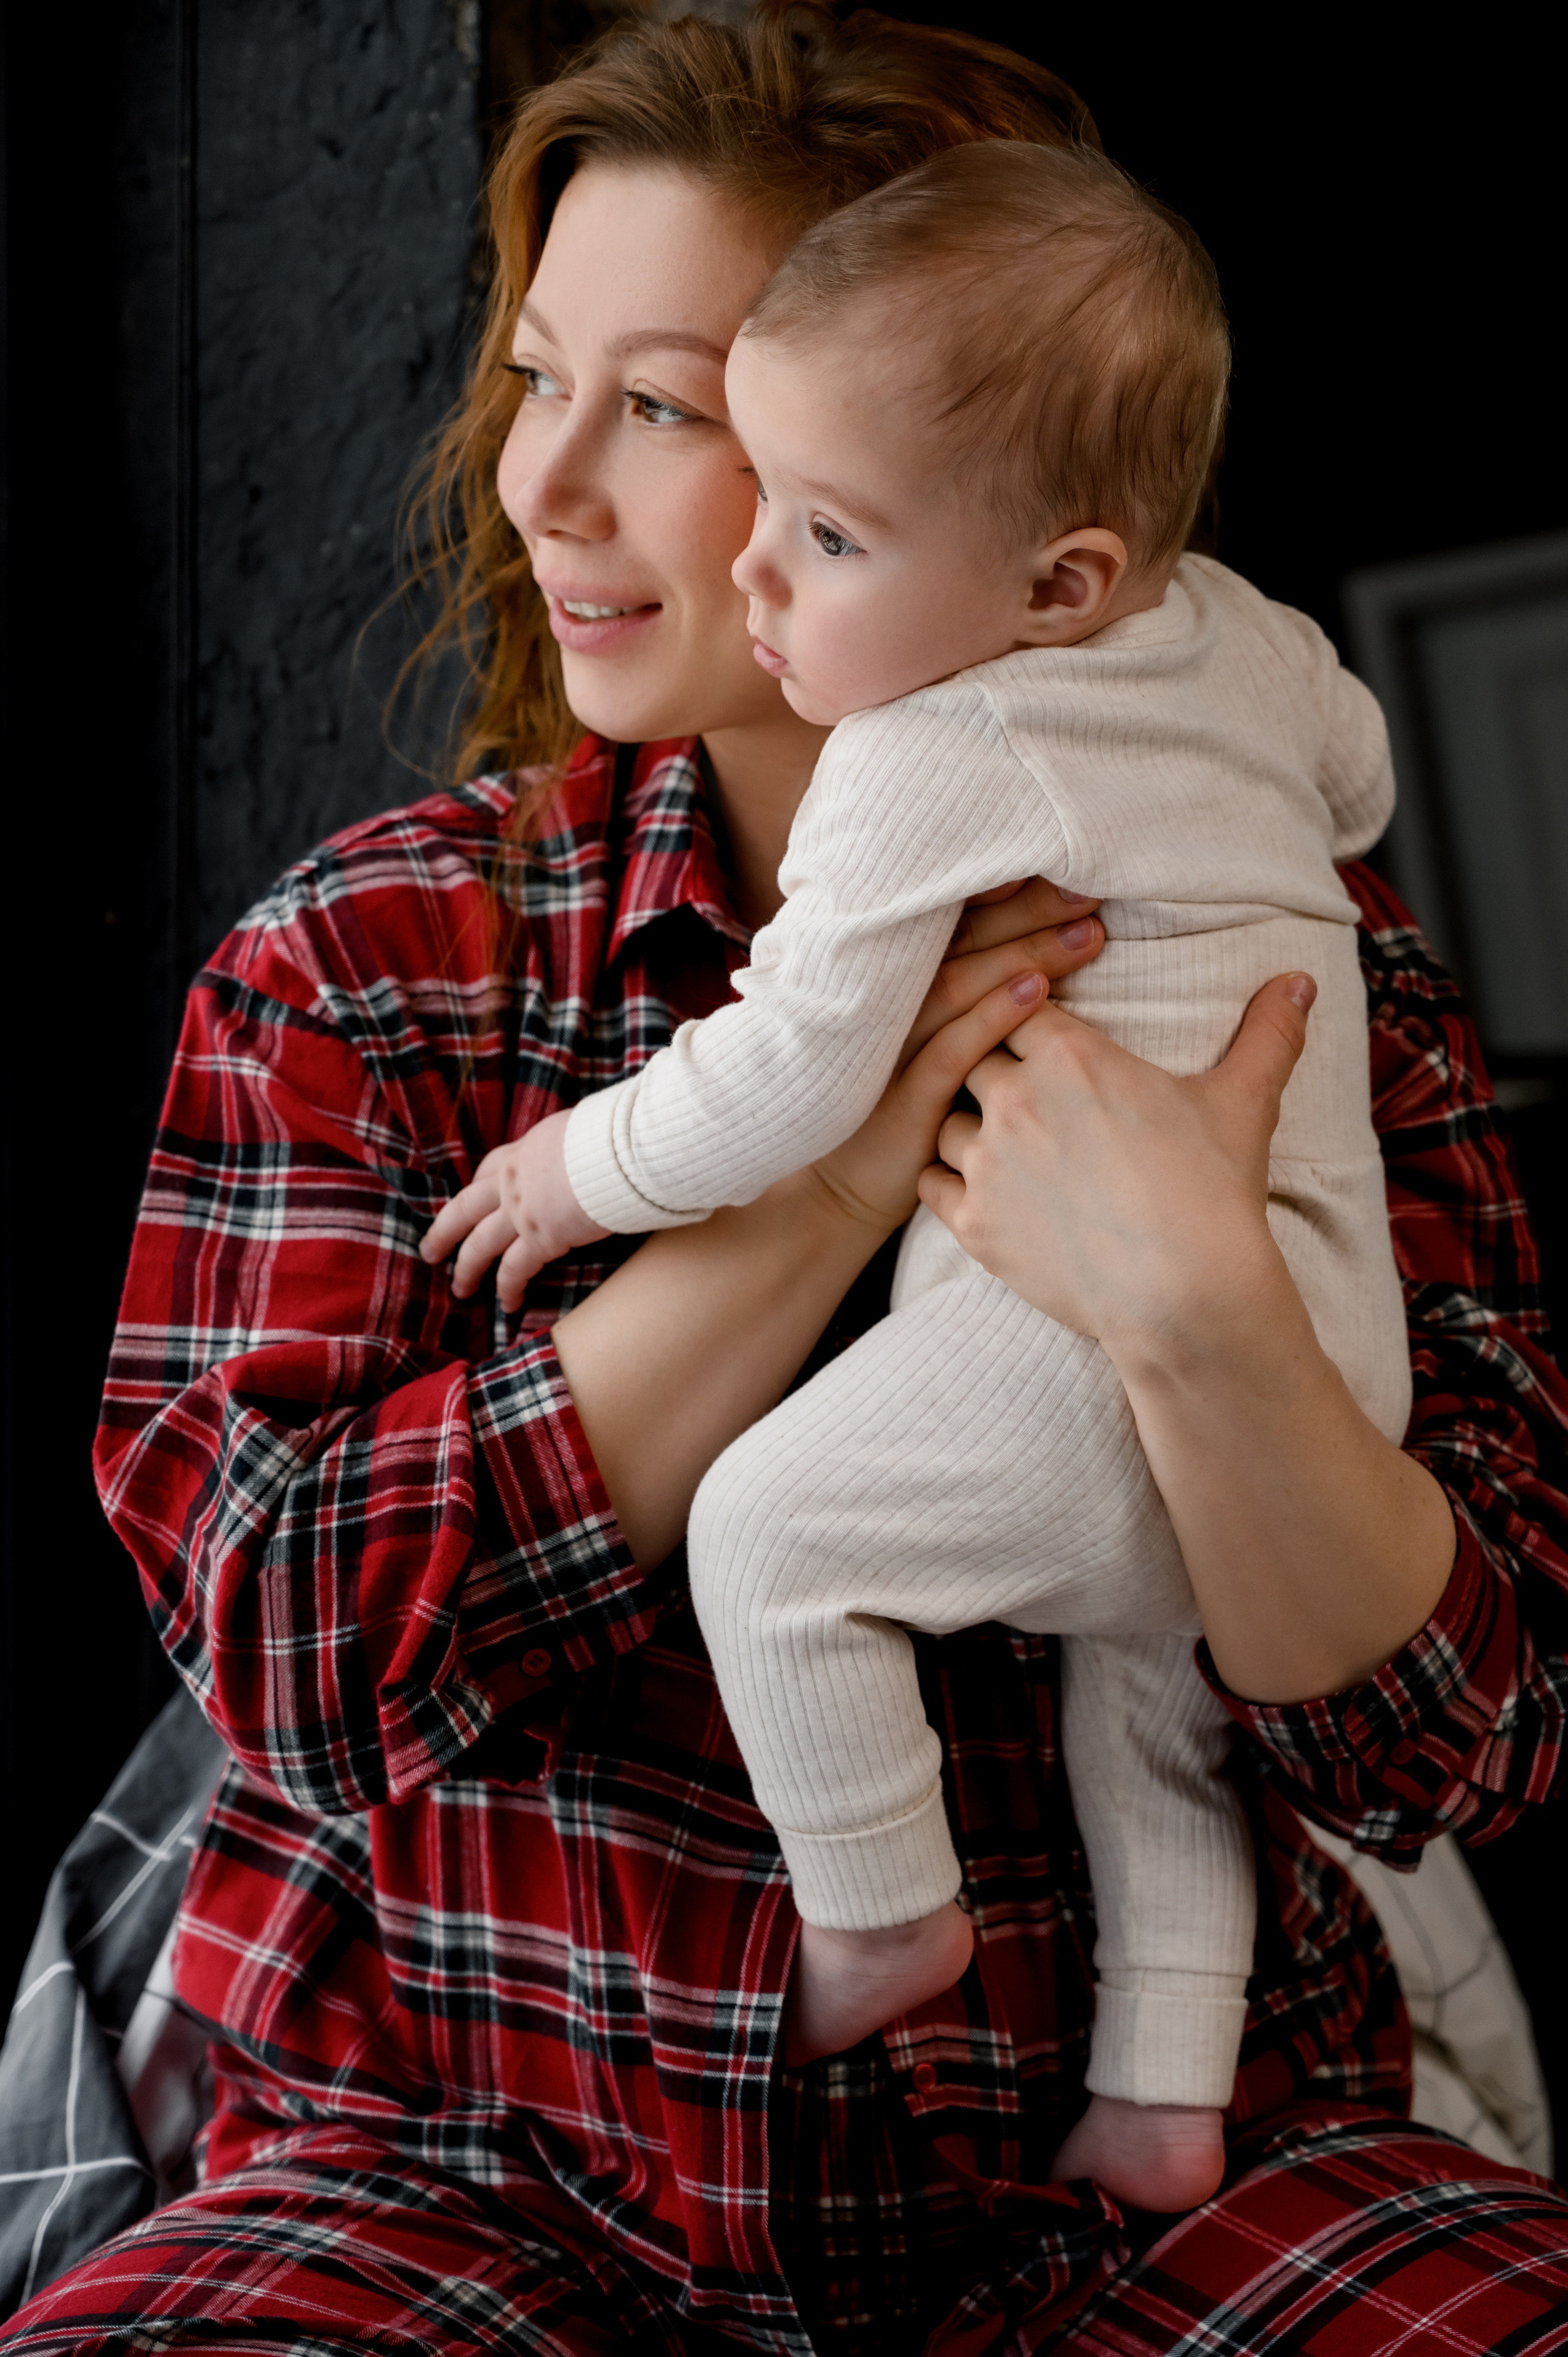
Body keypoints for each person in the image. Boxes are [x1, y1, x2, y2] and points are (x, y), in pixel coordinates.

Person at [6, 8, 1568, 2351]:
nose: (546, 489)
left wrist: (1203, 1319)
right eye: (541, 378)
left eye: (668, 408)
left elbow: (1464, 1736)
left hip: (1139, 2205)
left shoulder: (1297, 971)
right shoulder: (373, 966)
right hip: (474, 2168)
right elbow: (289, 1655)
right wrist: (824, 1182)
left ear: (982, 479)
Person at [420, 134, 1411, 2217]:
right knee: (1145, 1692)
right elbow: (1356, 771)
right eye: (538, 375)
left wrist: (579, 1175)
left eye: (826, 527)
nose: (765, 571)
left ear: (1057, 581)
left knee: (778, 1531)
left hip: (1136, 1351)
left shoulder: (931, 755)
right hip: (1332, 1370)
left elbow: (786, 1069)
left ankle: (878, 1909)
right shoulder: (1232, 633)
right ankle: (1160, 2088)